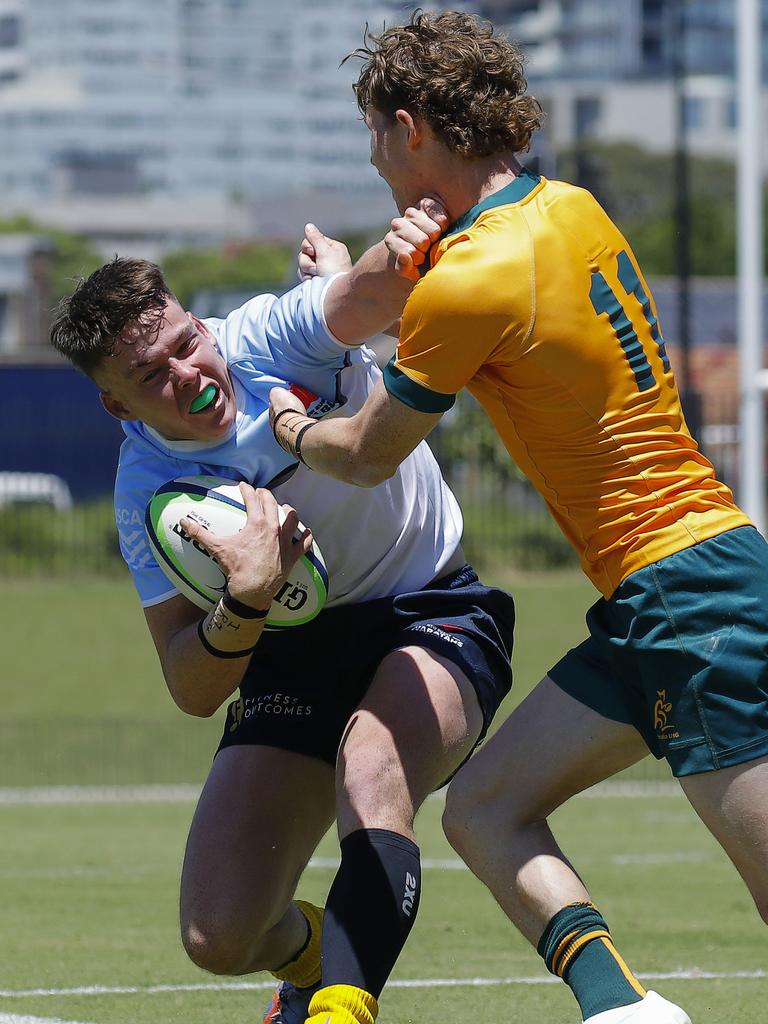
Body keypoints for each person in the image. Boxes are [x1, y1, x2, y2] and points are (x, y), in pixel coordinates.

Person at [269, 10, 768, 1024]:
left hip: (690, 594)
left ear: (410, 128)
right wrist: (353, 283)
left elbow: (367, 454)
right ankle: (624, 1009)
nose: (371, 158)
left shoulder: (472, 276)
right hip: (668, 591)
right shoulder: (569, 210)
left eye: (372, 135)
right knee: (488, 807)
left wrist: (290, 427)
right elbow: (482, 316)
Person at [49, 240, 515, 1024]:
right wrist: (247, 600)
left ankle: (337, 1008)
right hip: (294, 646)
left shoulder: (269, 337)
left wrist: (396, 254)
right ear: (118, 407)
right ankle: (308, 957)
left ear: (200, 323)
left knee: (372, 773)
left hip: (429, 606)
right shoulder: (151, 491)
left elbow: (369, 294)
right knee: (218, 935)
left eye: (185, 345)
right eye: (152, 377)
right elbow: (188, 684)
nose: (189, 377)